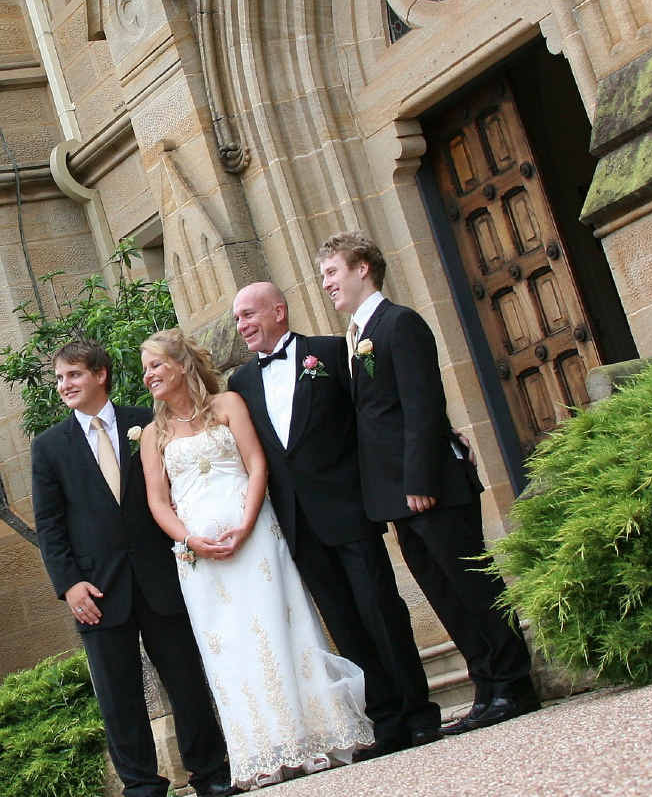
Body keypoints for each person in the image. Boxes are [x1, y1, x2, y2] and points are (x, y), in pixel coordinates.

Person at [317, 230, 539, 733]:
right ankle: (486, 687)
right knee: (443, 593)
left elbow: (422, 405)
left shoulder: (401, 323)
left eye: (332, 271)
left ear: (362, 269)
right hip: (397, 494)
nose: (325, 282)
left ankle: (514, 682)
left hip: (430, 486)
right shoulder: (356, 338)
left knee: (472, 584)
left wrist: (420, 479)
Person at [139, 328, 373, 790]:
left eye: (156, 365)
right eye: (146, 368)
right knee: (229, 644)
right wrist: (191, 541)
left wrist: (246, 524)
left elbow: (256, 463)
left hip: (256, 537)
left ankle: (314, 736)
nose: (148, 376)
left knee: (277, 626)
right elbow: (158, 502)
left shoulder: (228, 406)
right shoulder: (153, 434)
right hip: (201, 559)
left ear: (182, 364)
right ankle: (262, 749)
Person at [227, 281, 441, 761]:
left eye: (248, 315)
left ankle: (419, 714)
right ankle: (383, 720)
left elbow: (369, 418)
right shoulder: (240, 383)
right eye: (238, 319)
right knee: (343, 624)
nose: (242, 326)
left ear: (278, 311)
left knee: (382, 611)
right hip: (297, 524)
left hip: (349, 509)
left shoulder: (329, 351)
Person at [30, 341, 233, 797]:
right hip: (97, 591)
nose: (65, 385)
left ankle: (211, 773)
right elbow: (50, 525)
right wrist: (69, 586)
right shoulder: (49, 447)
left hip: (162, 576)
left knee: (186, 680)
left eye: (74, 375)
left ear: (100, 374)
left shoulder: (146, 421)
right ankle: (141, 785)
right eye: (60, 379)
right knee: (119, 696)